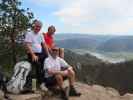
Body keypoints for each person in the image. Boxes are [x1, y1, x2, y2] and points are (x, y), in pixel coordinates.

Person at [24, 20, 49, 86]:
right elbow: (28, 45)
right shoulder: (29, 34)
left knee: (47, 63)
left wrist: (48, 55)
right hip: (32, 54)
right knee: (37, 67)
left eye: (39, 27)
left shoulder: (40, 35)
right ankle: (38, 85)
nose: (38, 28)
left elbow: (44, 45)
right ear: (34, 26)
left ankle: (46, 81)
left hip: (40, 54)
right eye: (37, 26)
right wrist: (33, 55)